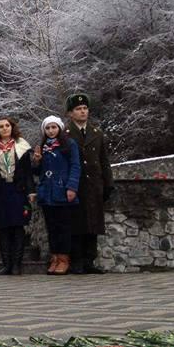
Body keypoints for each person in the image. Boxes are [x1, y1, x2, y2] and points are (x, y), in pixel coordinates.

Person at [64, 93, 114, 275]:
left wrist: (108, 183)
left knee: (93, 223)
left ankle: (89, 260)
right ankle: (76, 260)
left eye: (85, 108)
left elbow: (104, 160)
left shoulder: (96, 133)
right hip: (75, 184)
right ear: (70, 113)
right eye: (78, 109)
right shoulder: (65, 134)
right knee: (76, 223)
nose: (83, 112)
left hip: (93, 184)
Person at [0, 116, 34, 275]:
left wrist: (31, 191)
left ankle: (17, 264)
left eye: (7, 126)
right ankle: (6, 264)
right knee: (3, 228)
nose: (4, 128)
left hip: (17, 189)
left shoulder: (22, 146)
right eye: (1, 126)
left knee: (18, 226)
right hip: (0, 190)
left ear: (12, 127)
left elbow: (27, 171)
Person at [33, 116, 81, 275]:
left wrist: (72, 187)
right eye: (47, 128)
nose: (51, 131)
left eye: (54, 127)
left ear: (59, 128)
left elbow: (75, 165)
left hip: (63, 190)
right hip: (47, 192)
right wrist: (37, 161)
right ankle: (54, 257)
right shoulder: (43, 147)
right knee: (51, 227)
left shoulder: (68, 144)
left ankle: (64, 258)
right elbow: (37, 172)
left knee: (64, 227)